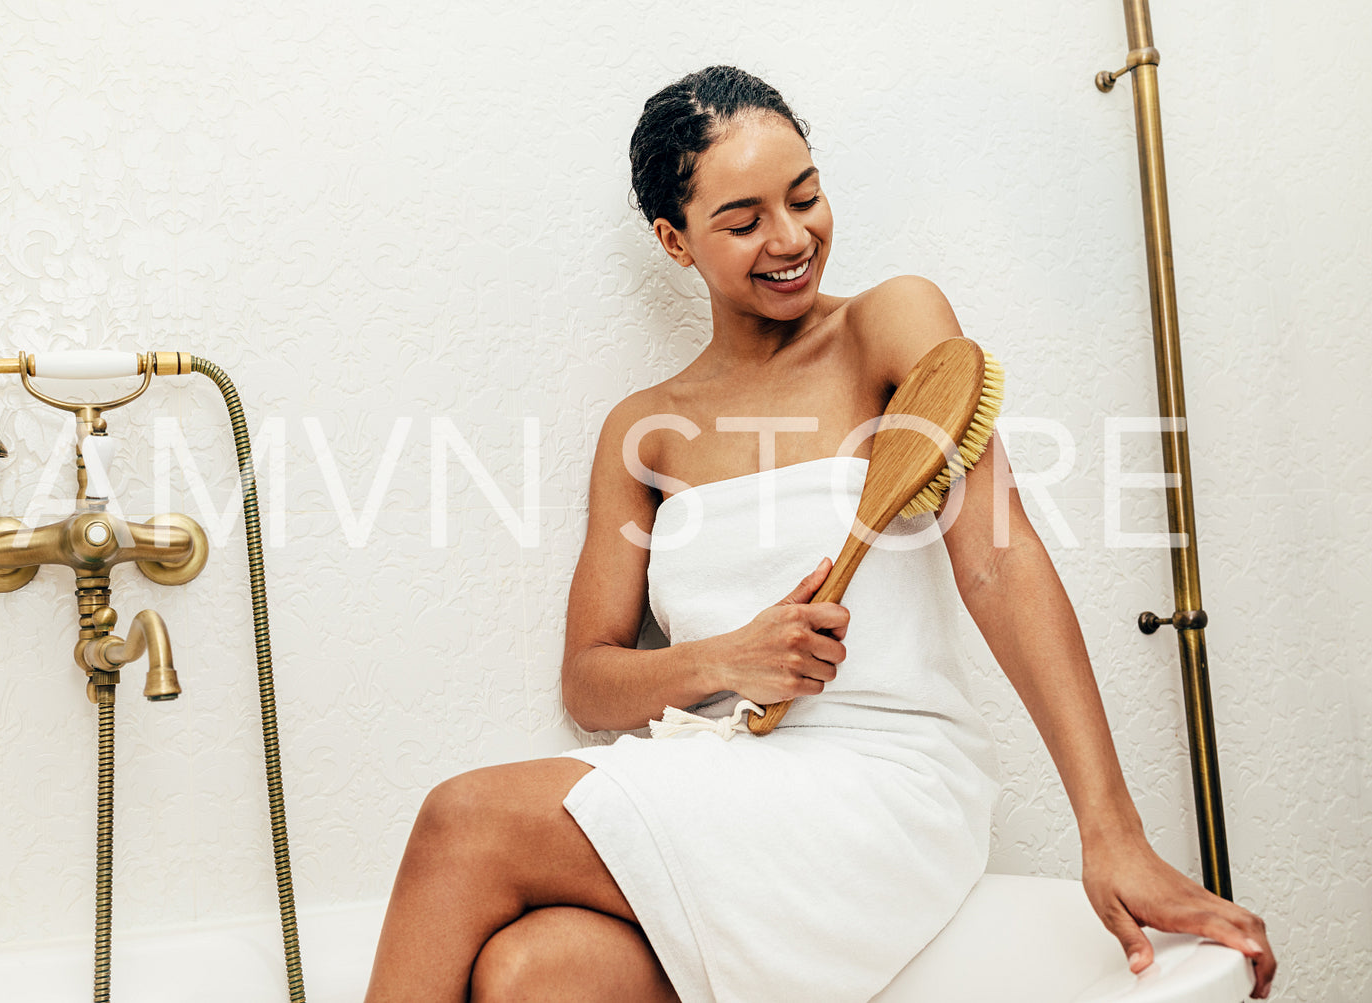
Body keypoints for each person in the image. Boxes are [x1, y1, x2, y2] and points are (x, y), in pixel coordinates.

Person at [363, 65, 1275, 1002]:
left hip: (883, 781)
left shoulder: (887, 326)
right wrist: (728, 659)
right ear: (674, 242)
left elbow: (999, 560)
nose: (792, 238)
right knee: (533, 972)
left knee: (464, 819)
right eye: (744, 219)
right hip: (719, 773)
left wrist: (1110, 829)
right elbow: (590, 680)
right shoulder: (644, 428)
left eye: (804, 196)